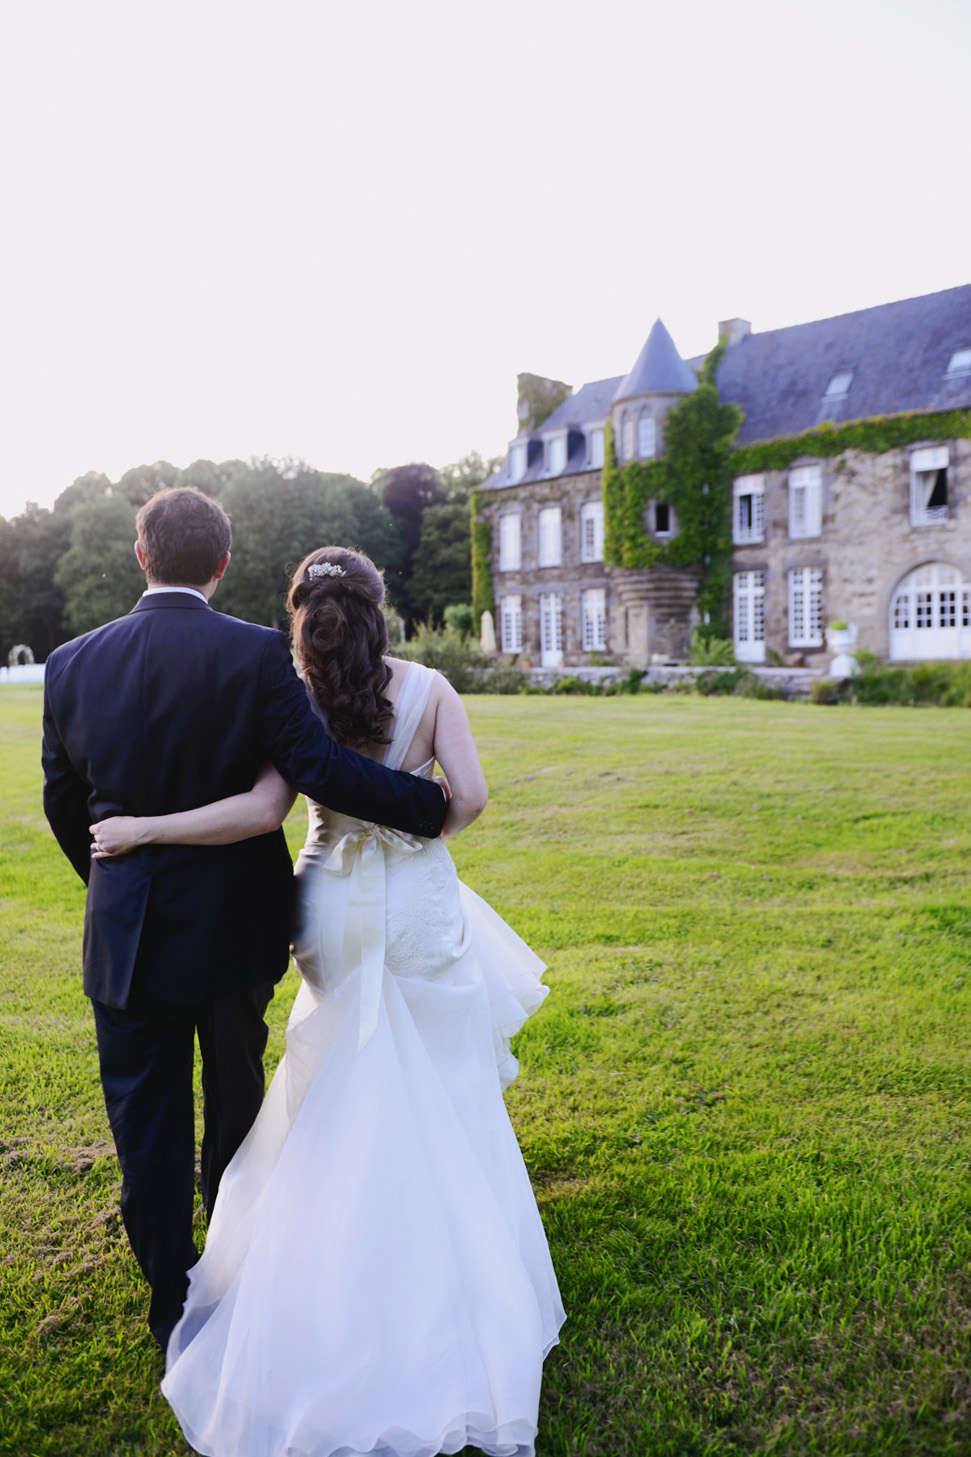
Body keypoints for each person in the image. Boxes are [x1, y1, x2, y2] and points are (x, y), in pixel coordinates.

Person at [90, 545, 565, 1457]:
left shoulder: (290, 689)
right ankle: (443, 1250)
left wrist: (145, 829)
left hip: (328, 904)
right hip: (417, 901)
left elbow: (262, 806)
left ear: (302, 612)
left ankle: (328, 1248)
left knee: (338, 1072)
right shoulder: (429, 688)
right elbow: (468, 797)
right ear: (379, 609)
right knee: (437, 1073)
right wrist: (416, 838)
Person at [41, 489, 447, 1353]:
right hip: (233, 929)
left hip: (128, 938)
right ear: (221, 564)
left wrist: (117, 885)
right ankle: (230, 1276)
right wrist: (427, 805)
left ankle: (170, 1305)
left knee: (144, 1127)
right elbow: (317, 768)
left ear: (140, 554)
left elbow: (65, 803)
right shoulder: (258, 653)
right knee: (234, 1102)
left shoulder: (72, 663)